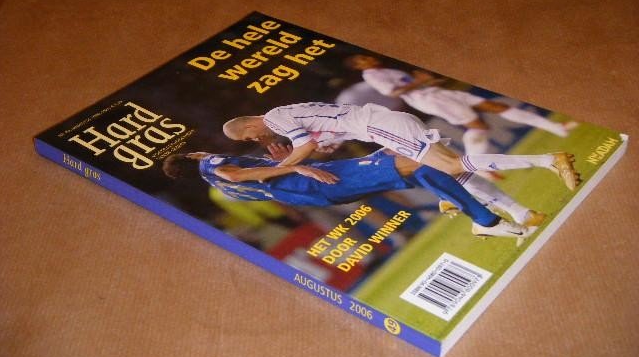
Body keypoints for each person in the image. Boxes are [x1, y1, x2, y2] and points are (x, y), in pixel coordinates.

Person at [163, 149, 543, 239]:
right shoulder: (212, 166)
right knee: (417, 158)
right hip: (316, 182)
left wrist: (283, 162)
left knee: (417, 168)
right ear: (191, 157)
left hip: (311, 194)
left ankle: (483, 217)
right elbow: (237, 171)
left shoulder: (216, 188)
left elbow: (255, 182)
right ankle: (489, 216)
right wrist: (293, 167)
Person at [222, 102, 580, 192]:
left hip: (380, 126)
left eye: (247, 137)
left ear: (249, 126)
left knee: (451, 166)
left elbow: (303, 145)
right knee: (447, 167)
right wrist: (320, 148)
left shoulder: (274, 120)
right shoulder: (285, 115)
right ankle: (497, 213)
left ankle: (549, 160)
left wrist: (283, 167)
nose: (253, 140)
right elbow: (323, 138)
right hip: (380, 124)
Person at [344, 54, 577, 154]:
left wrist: (429, 81)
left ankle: (557, 128)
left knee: (494, 107)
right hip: (431, 100)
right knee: (478, 127)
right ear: (358, 67)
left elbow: (407, 85)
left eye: (366, 56)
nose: (369, 58)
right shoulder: (372, 76)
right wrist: (420, 81)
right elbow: (393, 92)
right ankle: (476, 165)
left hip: (436, 93)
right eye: (363, 59)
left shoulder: (384, 69)